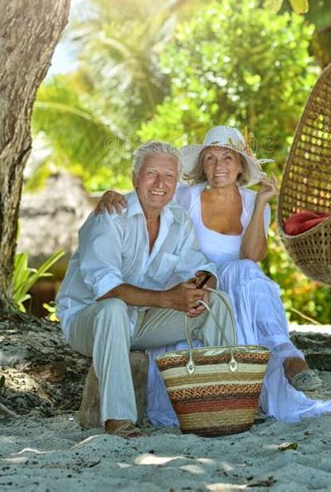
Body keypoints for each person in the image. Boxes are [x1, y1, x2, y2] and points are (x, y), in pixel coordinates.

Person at [96, 126, 331, 425]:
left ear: (241, 165)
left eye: (228, 158)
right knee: (243, 274)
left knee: (246, 271)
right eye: (211, 158)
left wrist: (261, 205)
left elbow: (252, 255)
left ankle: (286, 357)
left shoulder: (255, 201)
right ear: (202, 164)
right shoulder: (187, 196)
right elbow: (149, 192)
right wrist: (111, 196)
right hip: (197, 283)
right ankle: (283, 357)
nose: (219, 167)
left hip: (243, 289)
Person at [56, 140, 235, 438]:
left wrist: (200, 285)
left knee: (216, 301)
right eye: (152, 174)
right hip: (89, 321)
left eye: (168, 176)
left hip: (141, 320)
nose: (160, 183)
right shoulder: (110, 217)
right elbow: (106, 289)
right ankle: (119, 419)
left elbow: (202, 267)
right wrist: (167, 299)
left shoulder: (178, 219)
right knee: (113, 309)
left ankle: (225, 404)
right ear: (135, 178)